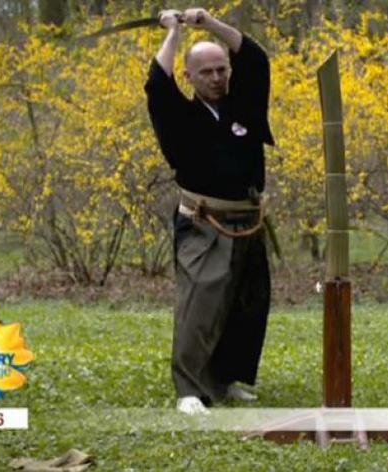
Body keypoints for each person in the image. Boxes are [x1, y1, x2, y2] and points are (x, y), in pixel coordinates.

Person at [144, 8, 275, 415]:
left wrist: (211, 24)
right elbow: (156, 84)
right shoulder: (180, 116)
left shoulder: (244, 106)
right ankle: (189, 388)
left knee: (246, 303)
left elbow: (256, 59)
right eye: (207, 72)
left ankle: (223, 379)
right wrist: (173, 33)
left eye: (221, 69)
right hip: (203, 222)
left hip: (248, 220)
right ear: (190, 77)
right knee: (201, 301)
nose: (217, 77)